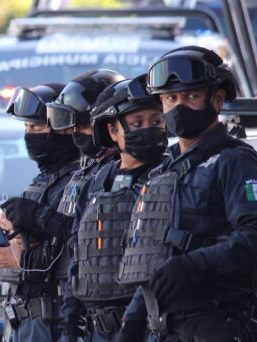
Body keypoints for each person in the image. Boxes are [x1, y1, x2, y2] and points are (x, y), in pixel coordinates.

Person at [117, 46, 257, 341]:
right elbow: (152, 253)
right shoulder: (164, 167)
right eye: (170, 98)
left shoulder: (235, 160)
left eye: (192, 96)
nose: (179, 106)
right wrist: (133, 321)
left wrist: (193, 266)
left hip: (215, 323)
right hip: (162, 325)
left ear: (217, 98)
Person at [68, 75, 167, 341]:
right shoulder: (97, 181)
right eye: (136, 123)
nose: (148, 129)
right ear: (113, 131)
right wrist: (68, 325)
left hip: (146, 327)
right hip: (96, 329)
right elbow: (75, 254)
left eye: (156, 121)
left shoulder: (170, 177)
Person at [0, 84, 80, 341]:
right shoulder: (42, 181)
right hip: (22, 317)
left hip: (54, 319)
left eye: (37, 128)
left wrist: (18, 258)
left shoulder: (80, 181)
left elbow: (76, 254)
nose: (30, 135)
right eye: (27, 128)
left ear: (62, 129)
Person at [45, 68, 124, 341]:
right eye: (74, 128)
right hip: (89, 319)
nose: (77, 134)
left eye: (84, 127)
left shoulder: (129, 174)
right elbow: (79, 251)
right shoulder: (91, 171)